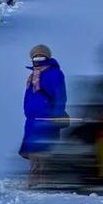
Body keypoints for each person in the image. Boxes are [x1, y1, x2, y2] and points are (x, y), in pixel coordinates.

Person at [19, 44, 68, 186]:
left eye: (40, 56)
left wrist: (56, 115)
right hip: (32, 120)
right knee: (34, 151)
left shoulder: (55, 73)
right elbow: (28, 96)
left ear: (47, 57)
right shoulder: (33, 75)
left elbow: (60, 96)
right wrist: (27, 111)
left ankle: (44, 182)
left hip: (48, 118)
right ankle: (34, 182)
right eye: (35, 56)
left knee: (45, 150)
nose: (37, 59)